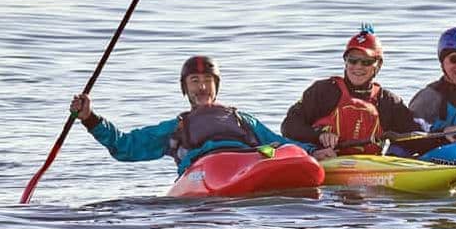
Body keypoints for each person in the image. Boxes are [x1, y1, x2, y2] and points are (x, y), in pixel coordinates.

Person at [69, 55, 314, 175]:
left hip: (246, 166)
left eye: (208, 81)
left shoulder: (242, 119)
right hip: (205, 170)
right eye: (194, 81)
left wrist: (315, 151)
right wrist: (90, 118)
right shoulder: (177, 127)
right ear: (185, 88)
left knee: (288, 152)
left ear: (217, 86)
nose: (202, 87)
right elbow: (125, 146)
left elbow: (284, 144)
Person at [281, 24, 423, 160]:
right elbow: (289, 126)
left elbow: (417, 139)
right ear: (346, 62)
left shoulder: (388, 101)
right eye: (353, 61)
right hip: (323, 158)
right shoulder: (323, 91)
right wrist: (319, 135)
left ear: (378, 64)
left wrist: (444, 136)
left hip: (371, 166)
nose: (358, 67)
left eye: (366, 62)